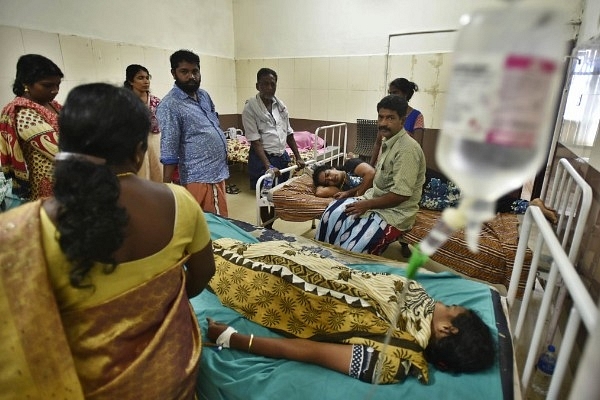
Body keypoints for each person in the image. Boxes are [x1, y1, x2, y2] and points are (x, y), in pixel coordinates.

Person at [0, 83, 215, 399]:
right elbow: (202, 276)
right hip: (172, 375)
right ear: (139, 150)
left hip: (84, 387)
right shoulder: (180, 202)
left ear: (63, 148)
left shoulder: (19, 231)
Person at [204, 238, 495, 385]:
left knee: (212, 259)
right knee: (239, 247)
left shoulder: (391, 360)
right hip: (314, 266)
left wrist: (233, 339)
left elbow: (310, 352)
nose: (443, 304)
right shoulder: (418, 303)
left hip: (280, 290)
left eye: (451, 308)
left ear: (446, 329)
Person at [316, 95, 426, 255]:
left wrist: (366, 205)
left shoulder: (406, 149)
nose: (383, 123)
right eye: (380, 117)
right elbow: (377, 181)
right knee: (332, 213)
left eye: (390, 118)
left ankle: (342, 269)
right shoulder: (388, 142)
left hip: (395, 213)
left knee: (353, 251)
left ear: (402, 121)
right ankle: (320, 259)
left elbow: (401, 196)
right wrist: (353, 194)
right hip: (372, 199)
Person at [157, 49, 229, 216]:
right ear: (173, 73)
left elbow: (213, 123)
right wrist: (167, 189)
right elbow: (169, 149)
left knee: (211, 223)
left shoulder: (204, 96)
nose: (191, 76)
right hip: (198, 176)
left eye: (195, 71)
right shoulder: (171, 105)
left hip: (217, 173)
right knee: (212, 225)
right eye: (185, 72)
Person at [242, 67, 306, 227]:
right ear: (258, 85)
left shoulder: (280, 105)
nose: (270, 88)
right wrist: (268, 166)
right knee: (265, 198)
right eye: (265, 84)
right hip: (262, 158)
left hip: (281, 157)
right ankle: (267, 228)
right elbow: (255, 141)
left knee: (278, 194)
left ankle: (272, 224)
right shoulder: (250, 108)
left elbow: (289, 132)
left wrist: (298, 156)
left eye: (273, 84)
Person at [0, 54, 63, 202]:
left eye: (58, 85)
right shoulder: (23, 113)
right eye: (48, 85)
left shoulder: (53, 105)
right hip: (49, 187)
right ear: (26, 84)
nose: (55, 90)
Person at [370, 78, 425, 166]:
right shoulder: (386, 114)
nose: (392, 96)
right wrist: (371, 166)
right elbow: (378, 143)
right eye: (390, 93)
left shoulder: (416, 116)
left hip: (401, 164)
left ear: (405, 94)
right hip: (382, 165)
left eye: (395, 92)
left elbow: (416, 147)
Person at [124, 64, 163, 182]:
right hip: (134, 141)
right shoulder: (125, 101)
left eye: (147, 78)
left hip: (155, 140)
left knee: (158, 171)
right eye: (140, 78)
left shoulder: (157, 102)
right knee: (140, 172)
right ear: (131, 81)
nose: (145, 81)